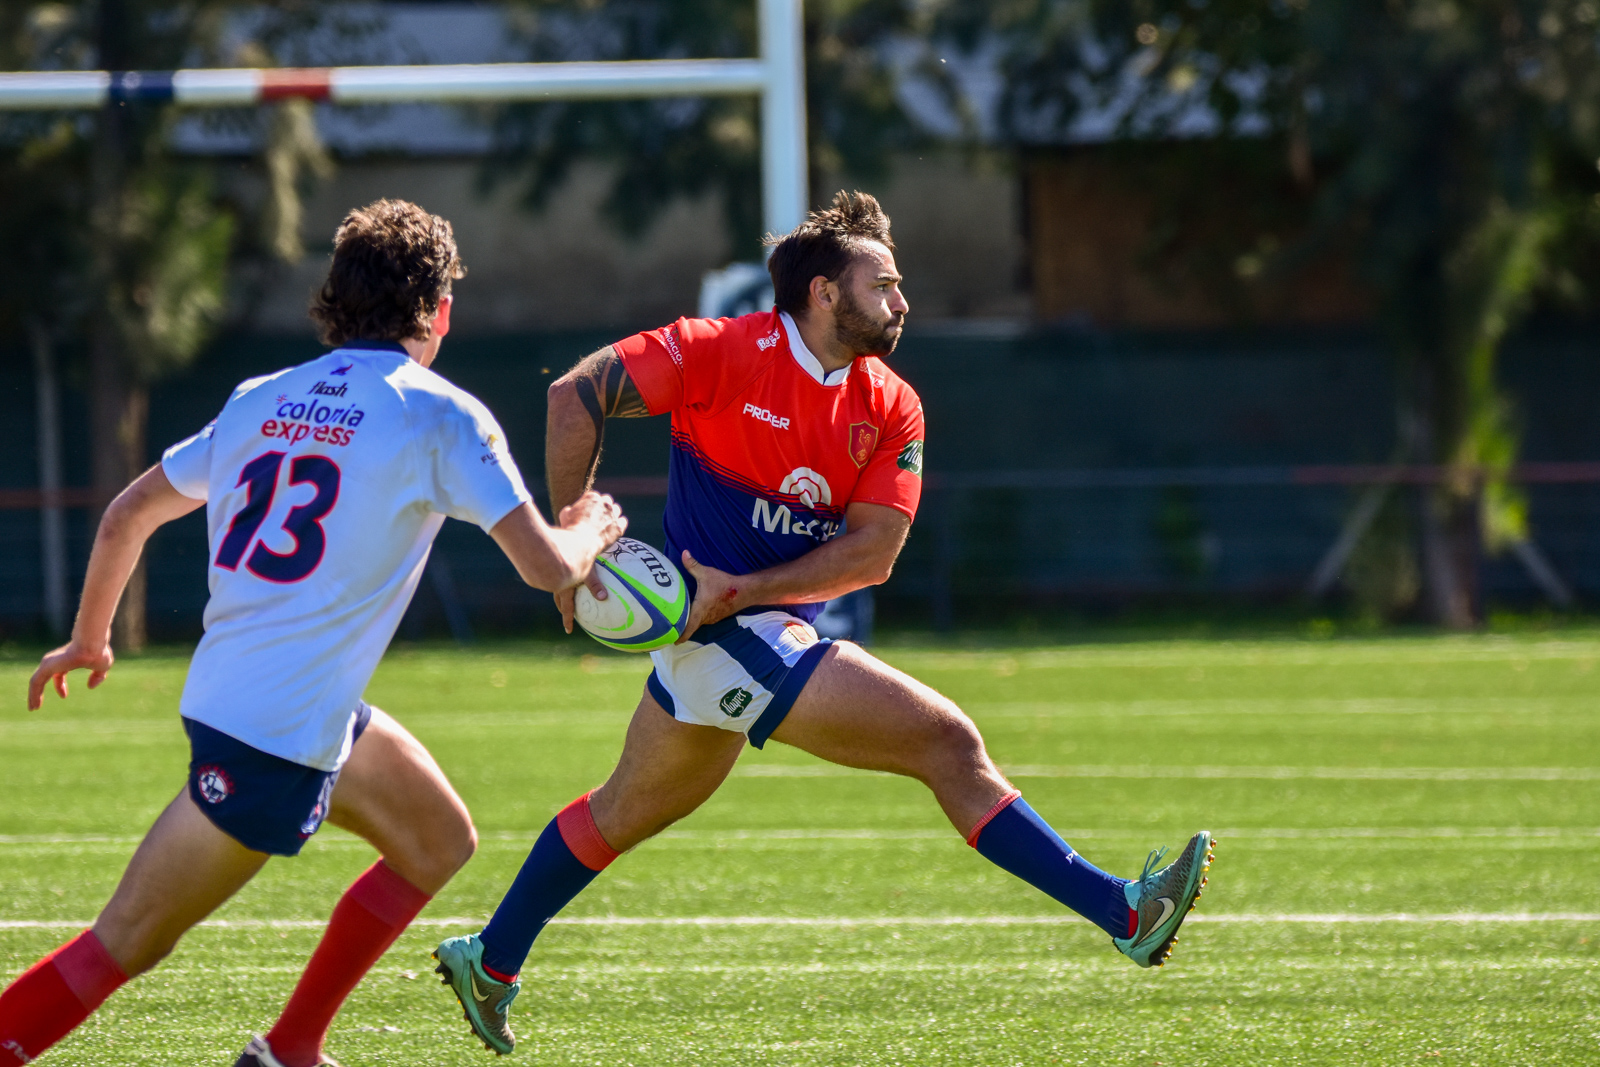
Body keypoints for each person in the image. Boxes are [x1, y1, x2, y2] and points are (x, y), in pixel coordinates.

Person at [433, 191, 1214, 1057]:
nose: (901, 300)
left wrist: (745, 584)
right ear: (823, 294)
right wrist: (572, 547)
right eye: (882, 283)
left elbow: (875, 550)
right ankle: (1125, 910)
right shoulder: (718, 351)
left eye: (899, 284)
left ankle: (491, 959)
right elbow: (573, 396)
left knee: (618, 812)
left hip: (741, 628)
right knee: (947, 744)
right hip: (729, 638)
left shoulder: (893, 404)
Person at [0, 199, 626, 1067]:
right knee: (123, 943)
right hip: (271, 740)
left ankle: (292, 1048)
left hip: (275, 703)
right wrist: (593, 526)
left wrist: (89, 639)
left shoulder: (262, 395)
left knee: (437, 837)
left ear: (333, 298)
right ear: (440, 310)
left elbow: (127, 514)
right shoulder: (441, 413)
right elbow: (549, 569)